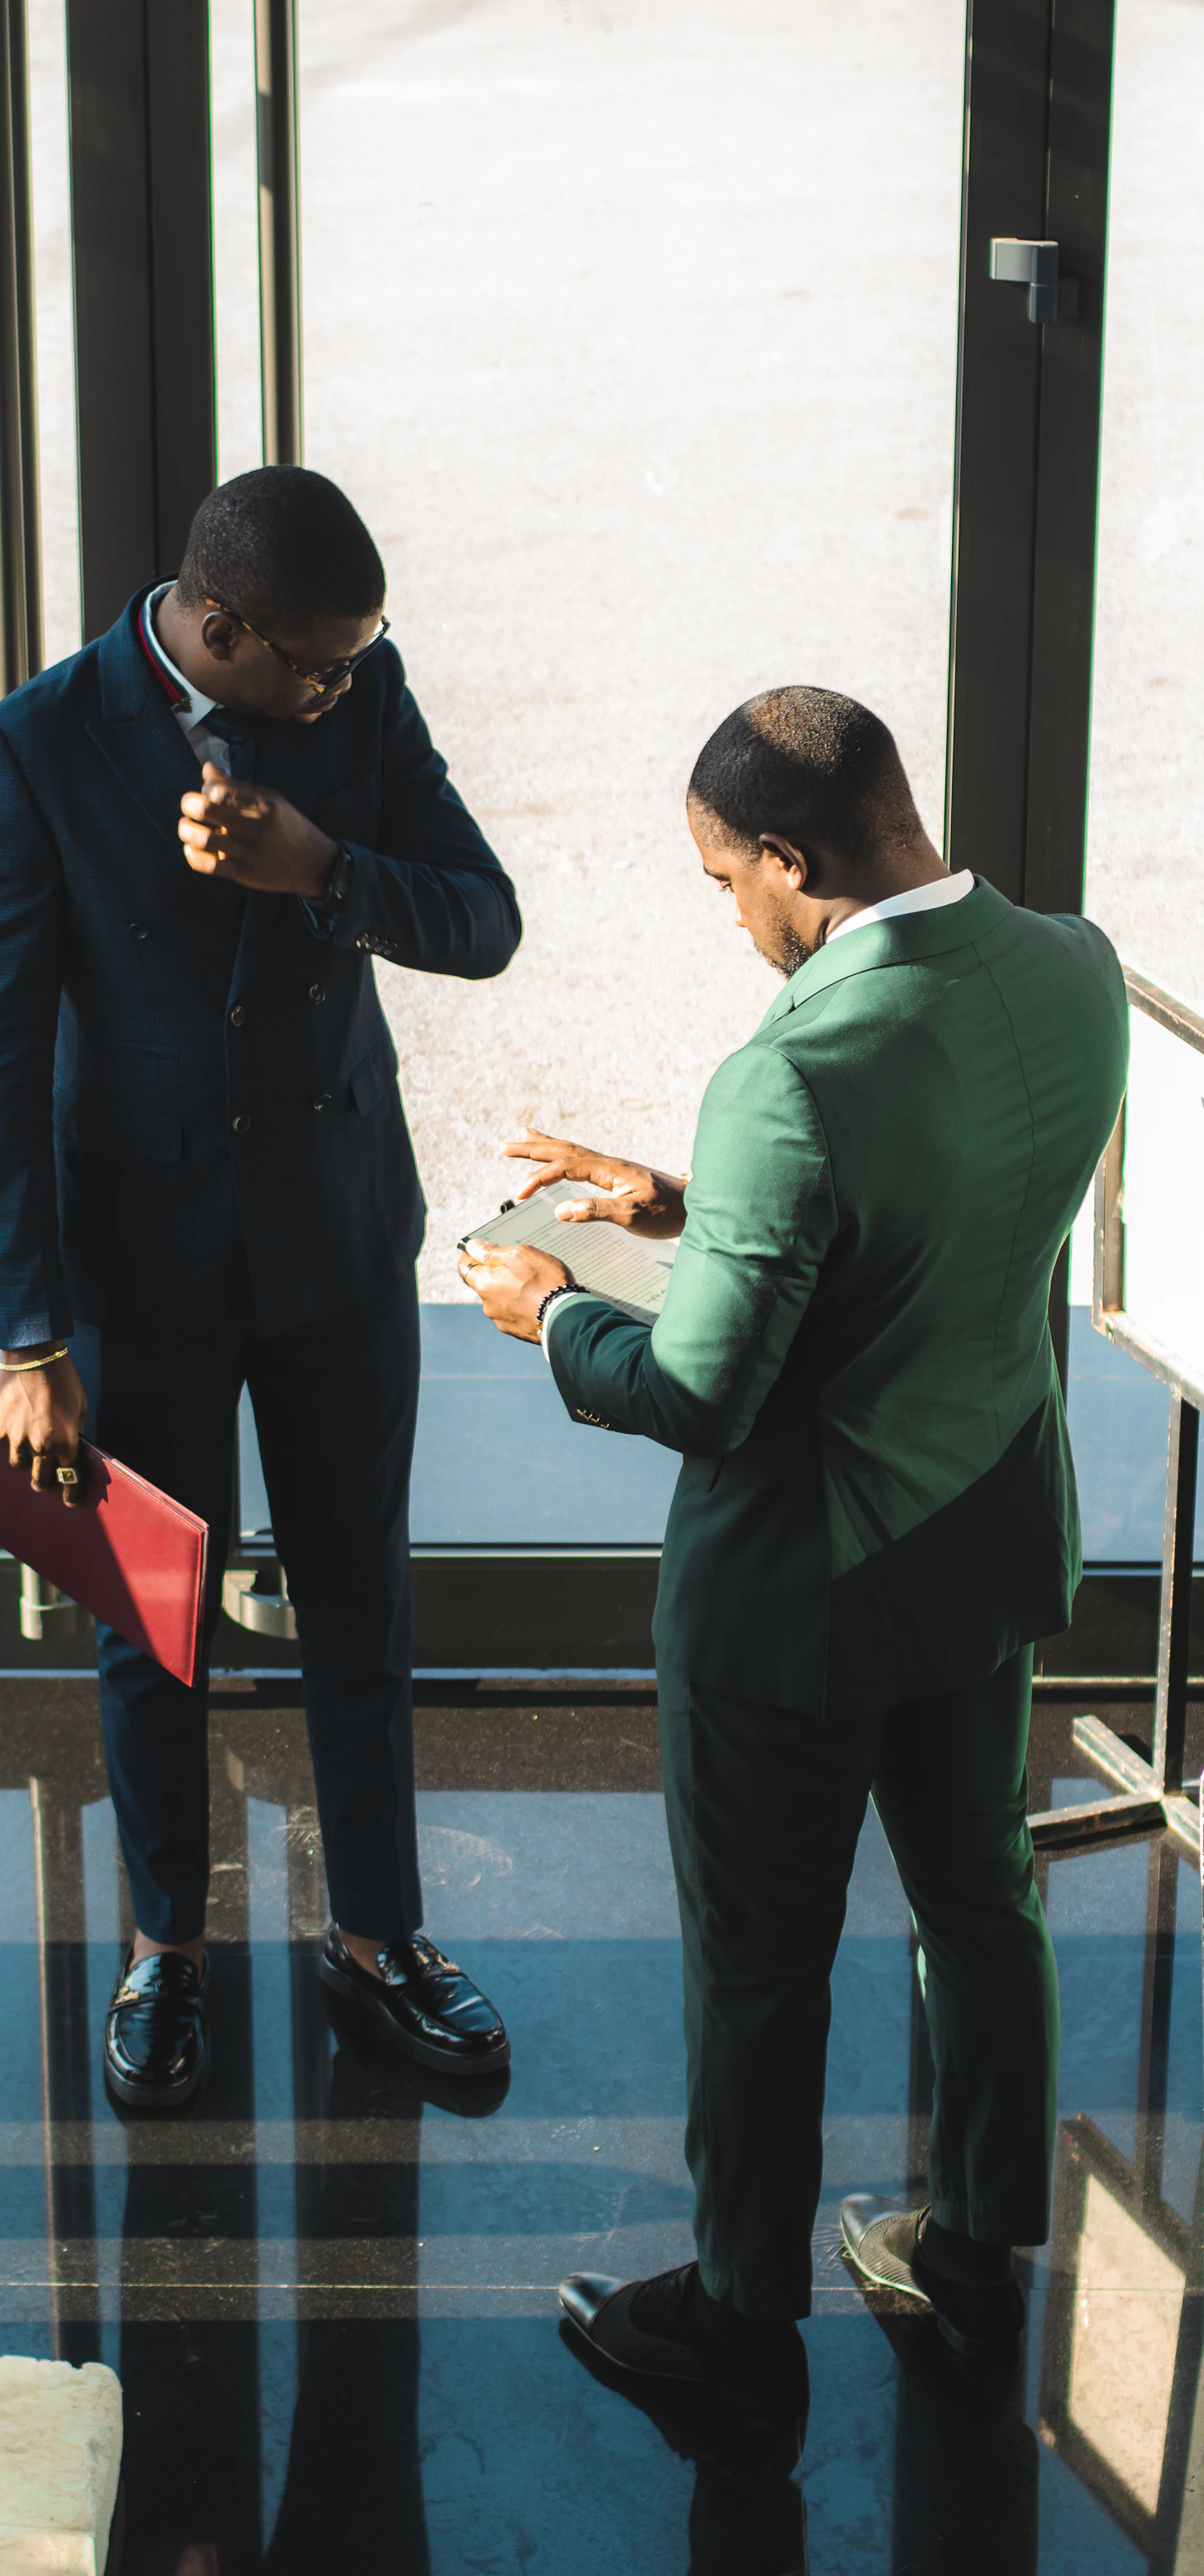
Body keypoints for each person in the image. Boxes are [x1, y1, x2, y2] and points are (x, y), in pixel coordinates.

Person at [460, 687, 1127, 2415]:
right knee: (983, 1899)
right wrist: (692, 1206)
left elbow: (697, 1388)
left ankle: (743, 2329)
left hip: (794, 1602)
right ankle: (977, 2255)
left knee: (757, 1967)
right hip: (978, 1538)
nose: (730, 912)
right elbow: (943, 1205)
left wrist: (549, 1312)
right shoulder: (1071, 972)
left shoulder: (794, 1070)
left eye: (721, 880)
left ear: (790, 859)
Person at [0, 465, 520, 2111]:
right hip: (133, 1276)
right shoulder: (32, 749)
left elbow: (484, 919)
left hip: (339, 1241)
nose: (341, 687)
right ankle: (162, 1951)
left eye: (353, 666)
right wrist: (28, 1338)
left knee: (363, 1595)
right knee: (151, 1620)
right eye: (316, 667)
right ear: (220, 627)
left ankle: (380, 1939)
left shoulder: (366, 696)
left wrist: (323, 864)